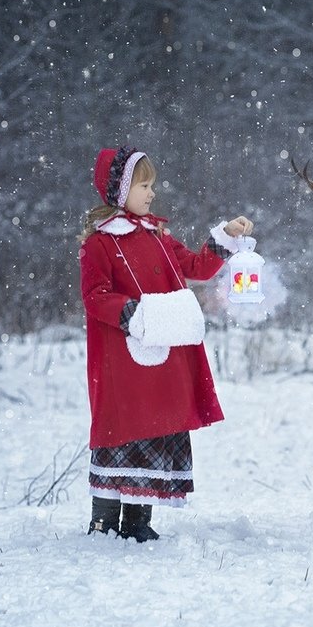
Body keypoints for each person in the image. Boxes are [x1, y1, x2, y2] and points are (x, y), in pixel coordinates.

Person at [79, 145, 252, 542]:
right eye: (143, 185)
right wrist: (135, 315)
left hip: (162, 358)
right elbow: (95, 296)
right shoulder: (99, 244)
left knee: (156, 426)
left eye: (151, 185)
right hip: (123, 359)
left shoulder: (157, 236)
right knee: (122, 428)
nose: (151, 193)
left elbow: (195, 266)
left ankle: (138, 521)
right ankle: (103, 520)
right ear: (120, 191)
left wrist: (226, 236)